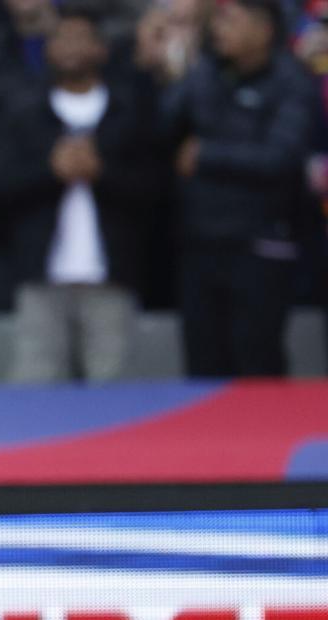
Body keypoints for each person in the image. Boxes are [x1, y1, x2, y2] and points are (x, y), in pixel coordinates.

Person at [0, 2, 154, 382]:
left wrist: (102, 173)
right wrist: (51, 171)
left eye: (82, 38)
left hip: (112, 276)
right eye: (63, 38)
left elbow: (157, 188)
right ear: (48, 48)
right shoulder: (23, 111)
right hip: (40, 276)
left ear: (102, 48)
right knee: (34, 393)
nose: (72, 47)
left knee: (116, 394)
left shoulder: (130, 110)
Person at [163, 0, 319, 376]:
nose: (219, 30)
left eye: (231, 20)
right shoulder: (206, 72)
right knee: (202, 359)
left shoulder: (291, 80)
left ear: (264, 30)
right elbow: (163, 131)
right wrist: (180, 75)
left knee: (256, 356)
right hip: (201, 240)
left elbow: (279, 158)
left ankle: (269, 436)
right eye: (216, 20)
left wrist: (206, 155)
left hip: (261, 243)